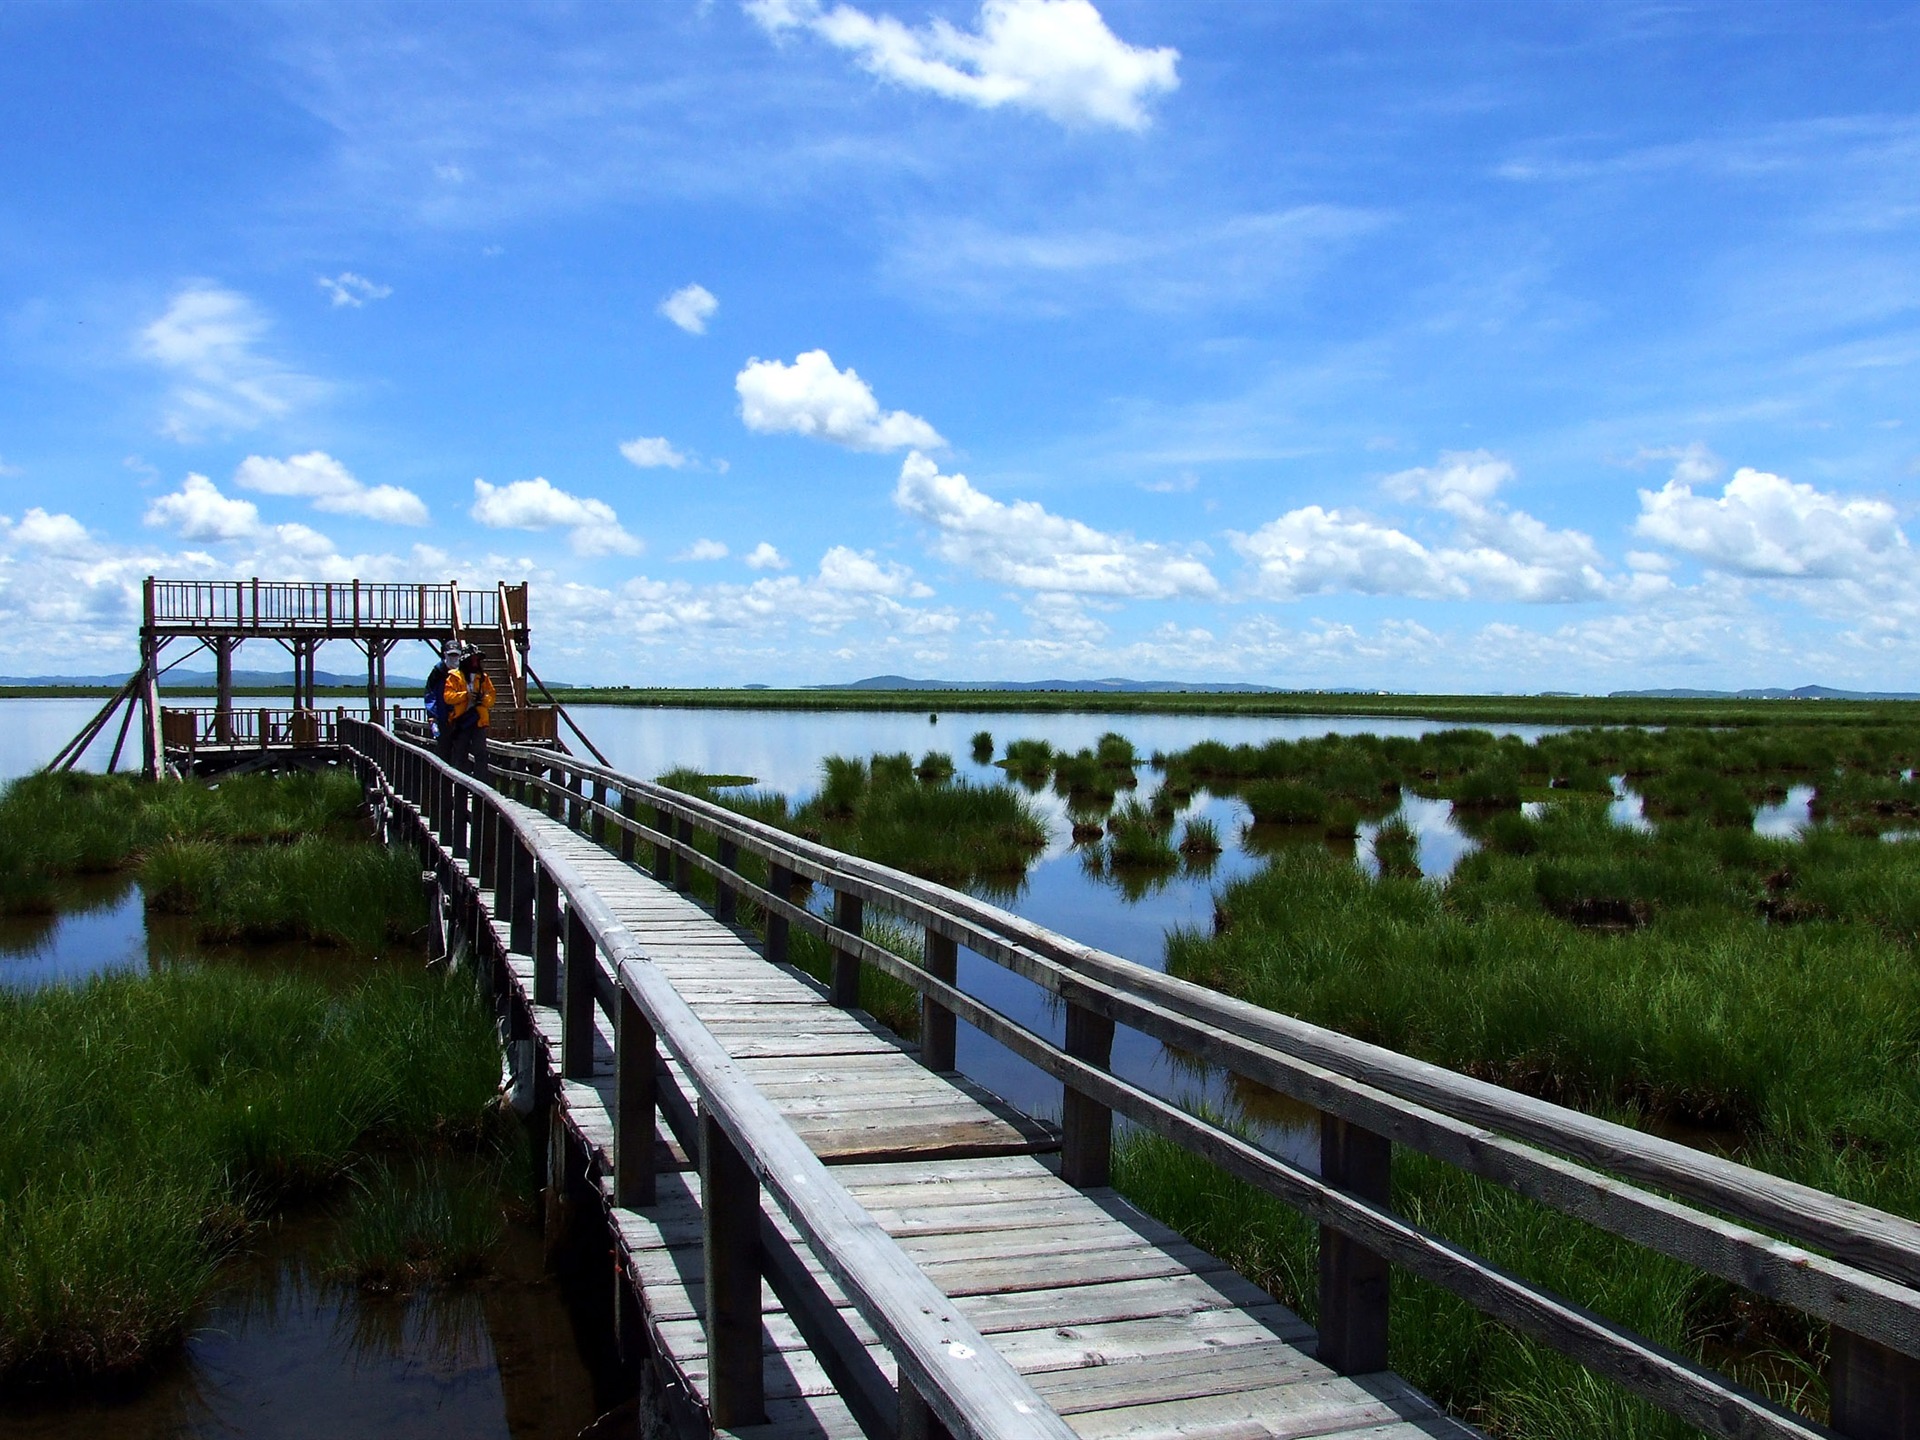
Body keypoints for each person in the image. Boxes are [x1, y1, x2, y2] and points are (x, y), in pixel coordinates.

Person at [443, 649, 496, 781]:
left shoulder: (483, 678)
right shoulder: (454, 677)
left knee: (481, 753)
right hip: (461, 720)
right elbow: (448, 697)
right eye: (473, 659)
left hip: (479, 719)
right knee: (461, 753)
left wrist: (482, 698)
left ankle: (481, 785)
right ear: (466, 661)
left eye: (477, 659)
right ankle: (462, 784)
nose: (475, 662)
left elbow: (491, 698)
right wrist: (465, 696)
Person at [424, 642, 461, 761]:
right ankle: (443, 778)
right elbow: (430, 695)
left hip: (461, 717)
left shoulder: (465, 671)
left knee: (461, 751)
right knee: (444, 750)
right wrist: (432, 716)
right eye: (451, 655)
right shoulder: (438, 671)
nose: (453, 658)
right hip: (443, 718)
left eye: (456, 655)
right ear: (445, 655)